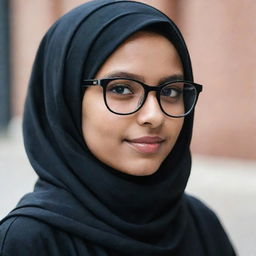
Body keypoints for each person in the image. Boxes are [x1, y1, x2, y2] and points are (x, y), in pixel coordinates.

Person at [0, 0, 236, 255]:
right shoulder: (28, 241)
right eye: (121, 89)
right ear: (66, 99)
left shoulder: (201, 224)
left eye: (170, 91)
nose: (154, 116)